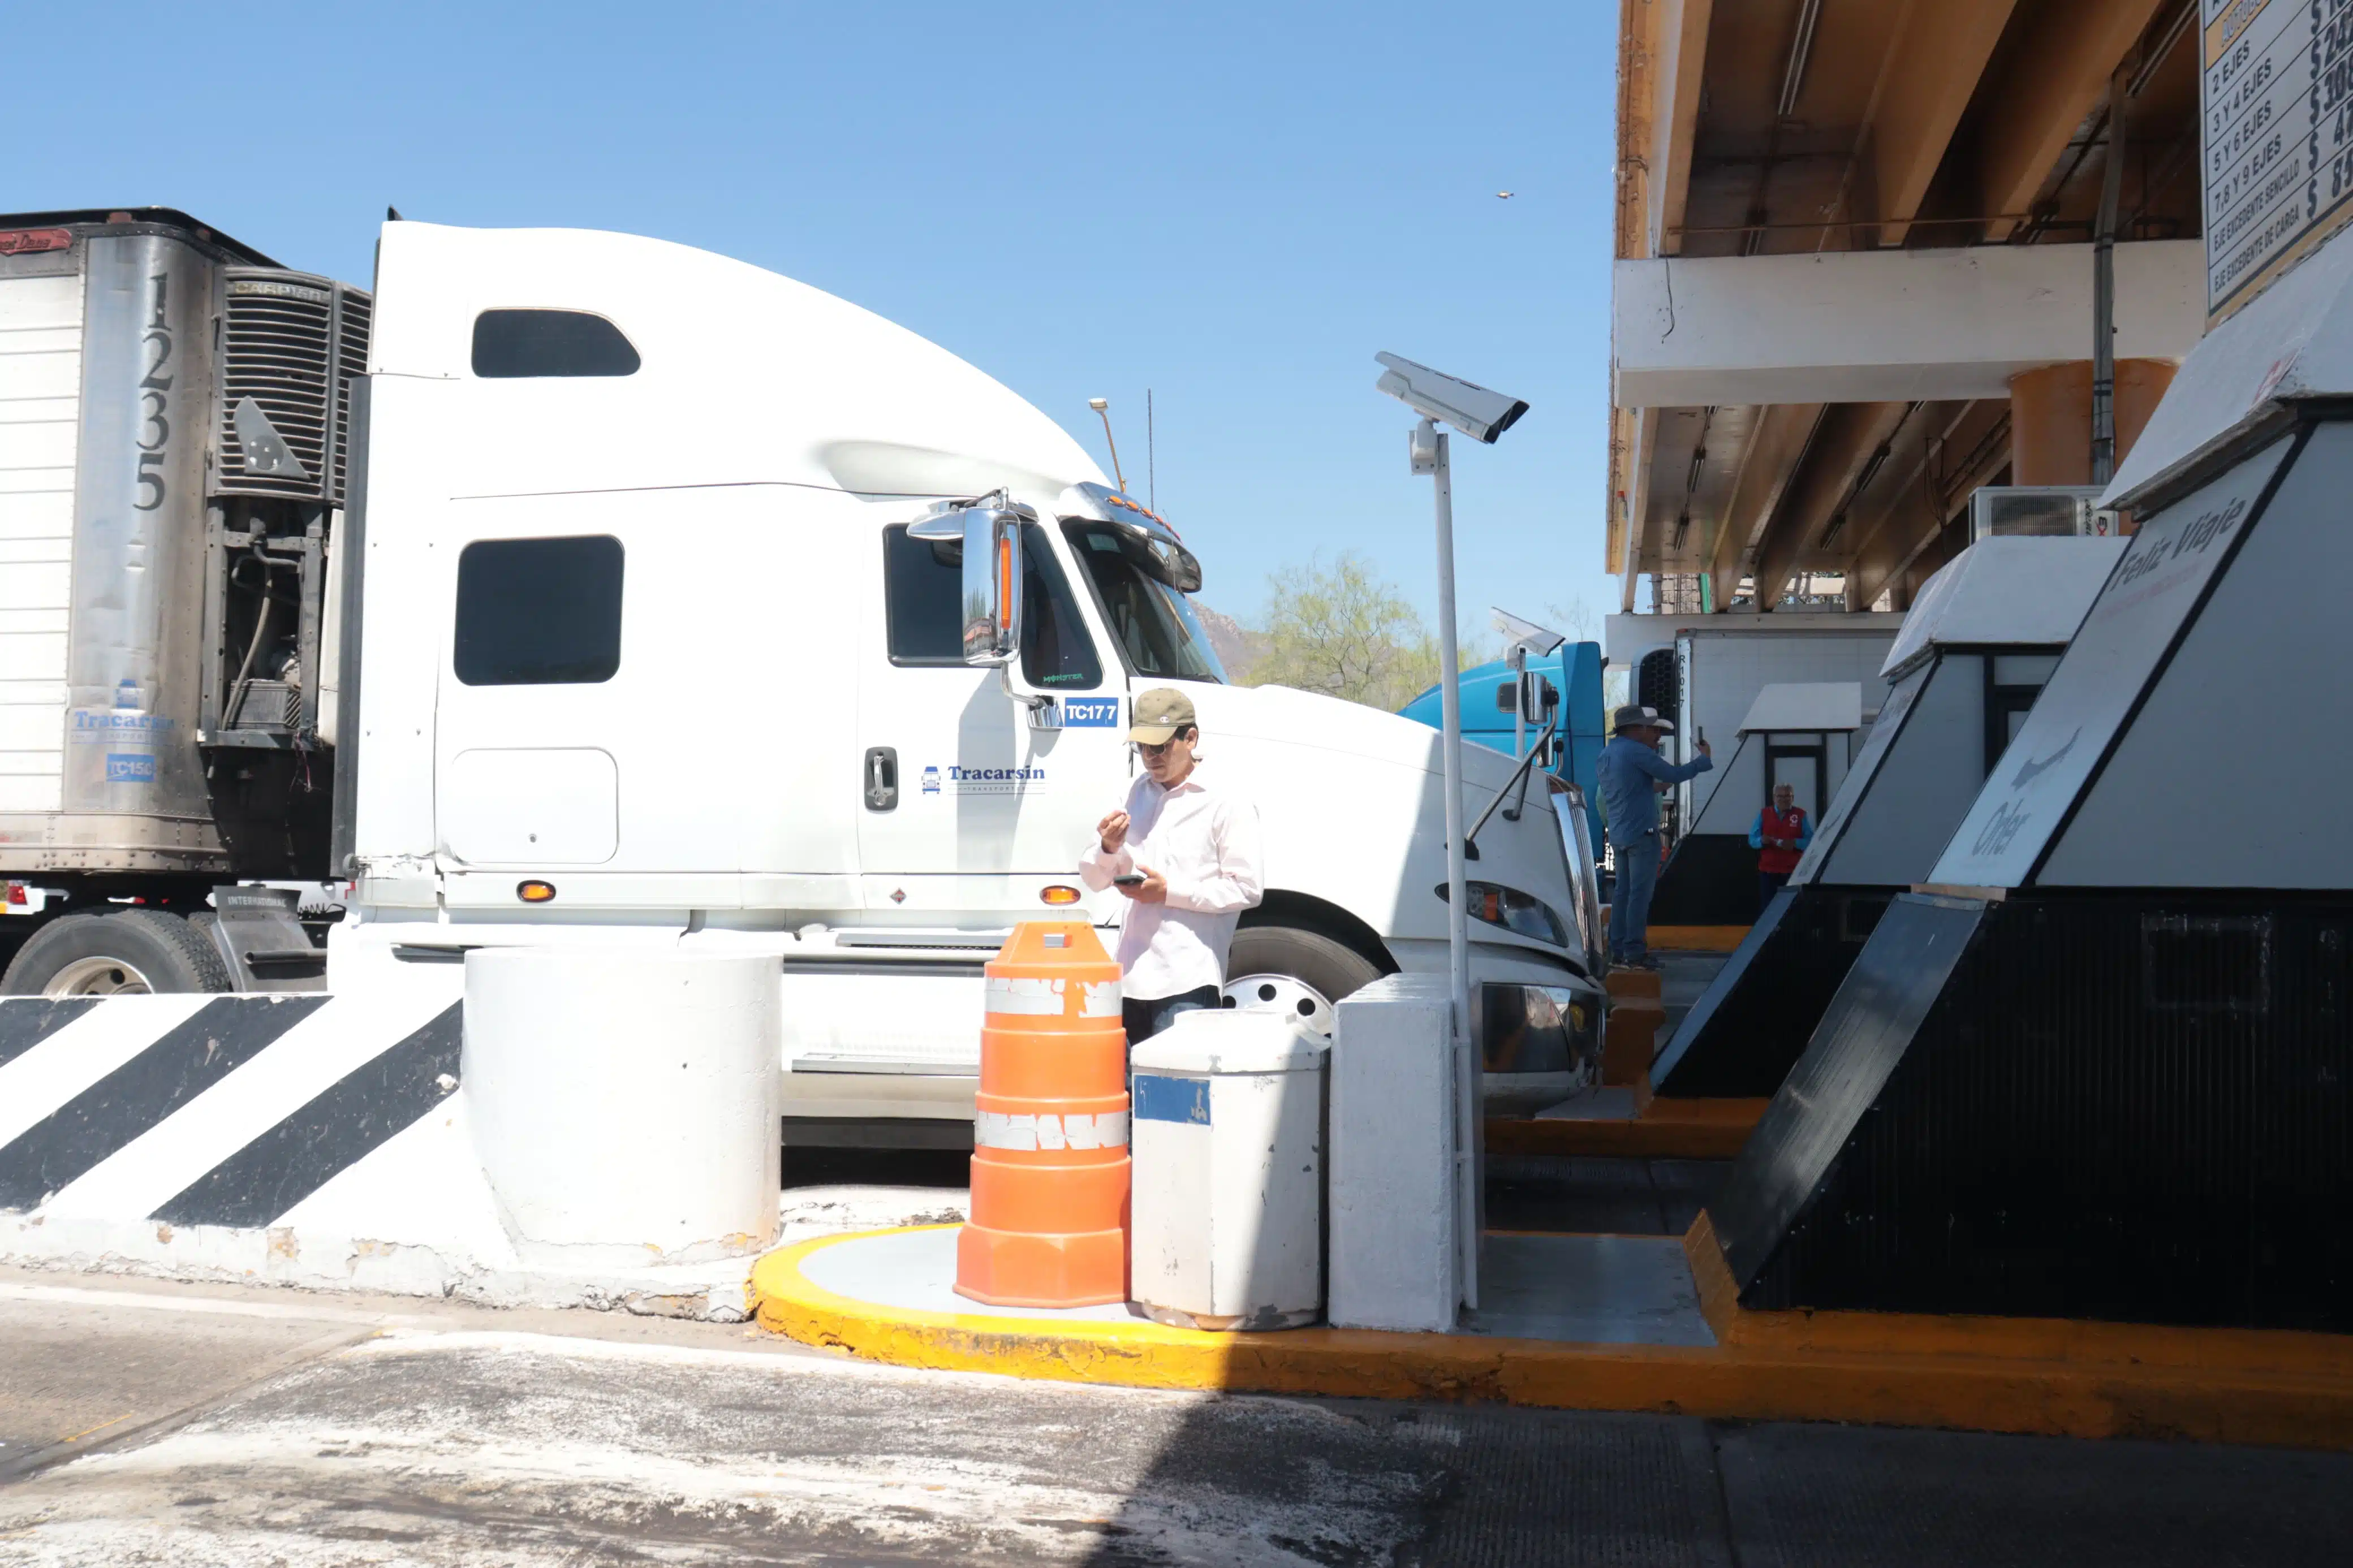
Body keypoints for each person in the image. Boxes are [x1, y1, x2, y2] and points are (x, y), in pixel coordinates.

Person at [1079, 687, 1265, 1049]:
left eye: (1160, 746)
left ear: (1190, 738)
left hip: (1187, 980)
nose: (1150, 757)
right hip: (1130, 978)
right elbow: (1095, 879)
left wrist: (1167, 892)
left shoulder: (1226, 799)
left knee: (1179, 1098)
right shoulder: (1136, 792)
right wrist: (1108, 848)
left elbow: (1247, 888)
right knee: (1131, 1099)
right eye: (1142, 747)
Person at [1596, 703, 1712, 971]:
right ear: (1638, 729)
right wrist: (1702, 760)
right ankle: (1635, 953)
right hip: (1642, 835)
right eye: (1653, 730)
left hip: (1620, 834)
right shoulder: (1637, 751)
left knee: (1623, 894)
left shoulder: (1608, 753)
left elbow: (1636, 787)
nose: (1657, 736)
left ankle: (1619, 951)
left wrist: (1661, 784)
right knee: (1640, 895)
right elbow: (1671, 774)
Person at [1749, 781, 1812, 914]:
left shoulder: (1801, 815)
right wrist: (1762, 841)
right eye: (1780, 796)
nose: (1784, 800)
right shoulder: (1764, 814)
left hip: (1792, 873)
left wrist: (1795, 843)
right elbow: (1752, 840)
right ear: (1774, 798)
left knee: (1792, 911)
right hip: (1768, 872)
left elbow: (1811, 841)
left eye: (1787, 796)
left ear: (1793, 798)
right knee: (1768, 910)